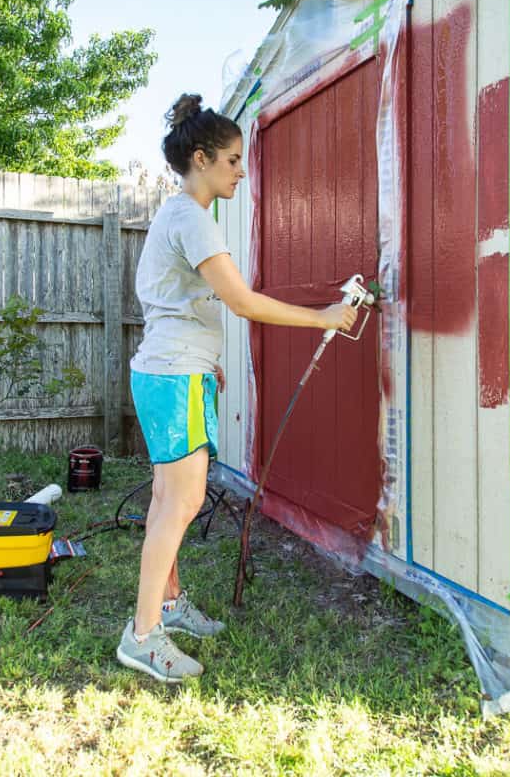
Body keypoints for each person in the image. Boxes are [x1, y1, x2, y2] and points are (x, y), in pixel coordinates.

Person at [116, 93, 358, 683]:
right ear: (200, 159)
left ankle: (168, 605)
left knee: (165, 500)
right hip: (172, 376)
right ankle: (142, 634)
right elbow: (243, 301)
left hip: (179, 369)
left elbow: (178, 302)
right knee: (183, 502)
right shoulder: (191, 218)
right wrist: (323, 318)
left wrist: (206, 359)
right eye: (232, 160)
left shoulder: (181, 216)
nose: (241, 170)